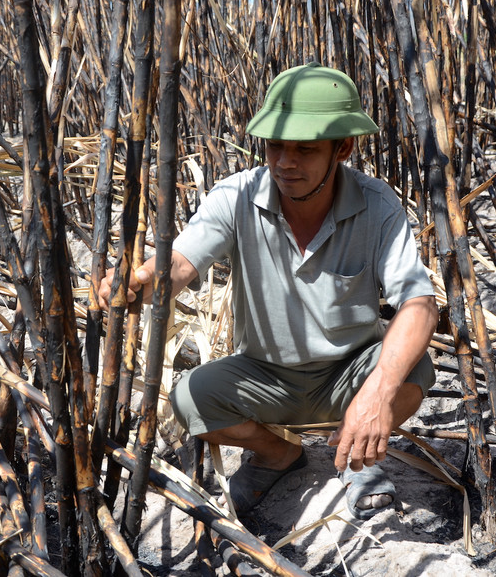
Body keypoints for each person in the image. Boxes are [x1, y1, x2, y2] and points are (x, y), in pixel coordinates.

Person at [98, 62, 437, 519]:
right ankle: (278, 454)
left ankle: (356, 454)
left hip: (349, 373)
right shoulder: (237, 196)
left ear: (343, 148)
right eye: (275, 145)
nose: (285, 162)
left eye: (305, 149)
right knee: (190, 399)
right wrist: (141, 282)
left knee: (414, 369)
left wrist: (376, 394)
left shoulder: (376, 205)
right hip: (265, 377)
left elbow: (419, 304)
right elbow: (179, 262)